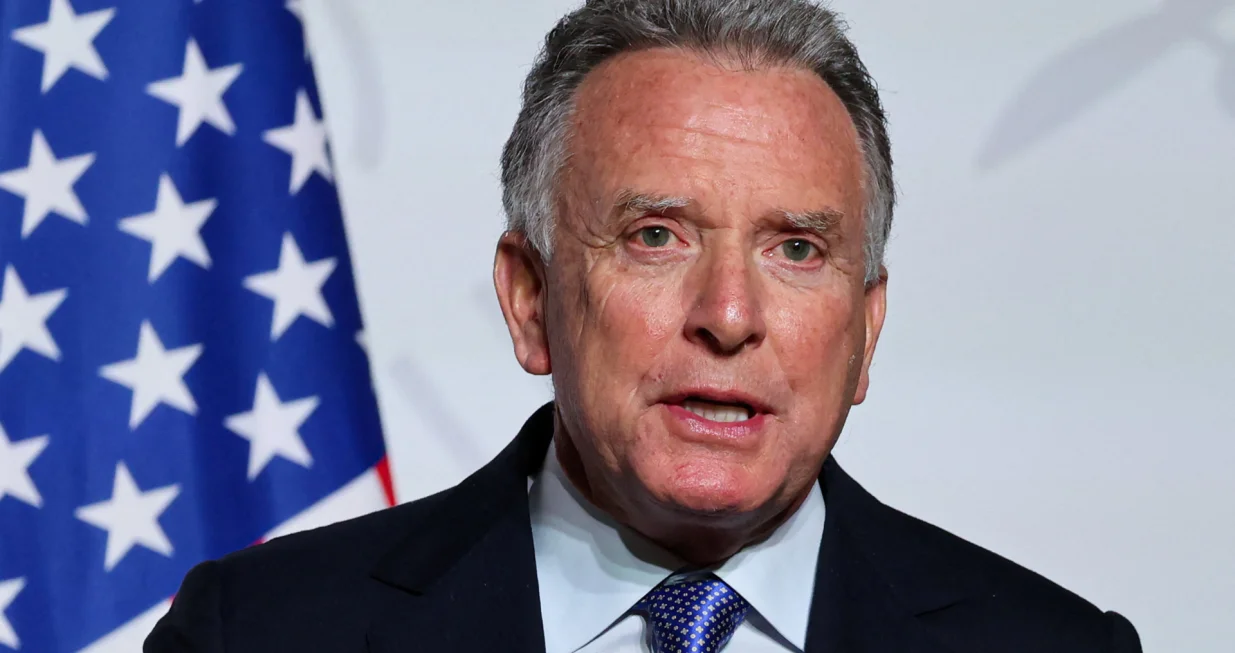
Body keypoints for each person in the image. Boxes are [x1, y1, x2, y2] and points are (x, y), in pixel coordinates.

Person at [146, 1, 1143, 651]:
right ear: (529, 299)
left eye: (794, 248)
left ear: (864, 331)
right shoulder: (264, 633)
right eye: (655, 235)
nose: (727, 315)